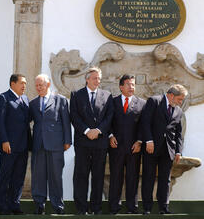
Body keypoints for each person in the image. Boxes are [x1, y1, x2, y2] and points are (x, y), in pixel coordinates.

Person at [70, 67, 114, 215]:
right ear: (87, 79)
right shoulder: (76, 95)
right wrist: (87, 131)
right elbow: (74, 116)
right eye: (95, 78)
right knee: (81, 176)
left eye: (99, 78)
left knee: (98, 176)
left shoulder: (107, 96)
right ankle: (81, 209)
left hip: (100, 143)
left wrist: (98, 130)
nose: (98, 81)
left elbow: (109, 117)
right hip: (82, 142)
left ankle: (96, 208)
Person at [141, 84, 188, 215]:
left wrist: (178, 151)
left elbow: (179, 134)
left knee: (165, 179)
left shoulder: (178, 111)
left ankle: (163, 207)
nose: (180, 102)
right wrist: (148, 141)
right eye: (179, 99)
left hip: (168, 150)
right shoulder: (154, 101)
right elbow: (145, 122)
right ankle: (147, 208)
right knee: (148, 177)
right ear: (171, 95)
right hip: (151, 147)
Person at [29, 74, 72, 215]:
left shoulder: (60, 100)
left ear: (48, 85)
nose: (38, 88)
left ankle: (57, 206)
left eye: (40, 85)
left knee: (55, 176)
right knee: (38, 177)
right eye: (36, 85)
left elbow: (66, 122)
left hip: (56, 145)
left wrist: (67, 141)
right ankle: (39, 205)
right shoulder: (33, 103)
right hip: (38, 145)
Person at [108, 74, 145, 214]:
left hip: (133, 148)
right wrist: (110, 136)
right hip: (115, 147)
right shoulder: (112, 102)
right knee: (115, 178)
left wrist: (140, 141)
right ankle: (114, 208)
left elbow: (144, 125)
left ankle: (132, 208)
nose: (131, 87)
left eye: (133, 84)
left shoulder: (142, 103)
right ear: (121, 86)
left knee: (132, 178)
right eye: (128, 84)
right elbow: (107, 121)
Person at [0, 74, 31, 215]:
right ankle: (3, 207)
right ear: (12, 83)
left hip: (23, 146)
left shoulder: (25, 99)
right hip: (8, 146)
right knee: (5, 176)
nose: (24, 86)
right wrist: (4, 140)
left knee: (19, 178)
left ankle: (15, 205)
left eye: (25, 83)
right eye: (22, 83)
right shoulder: (3, 98)